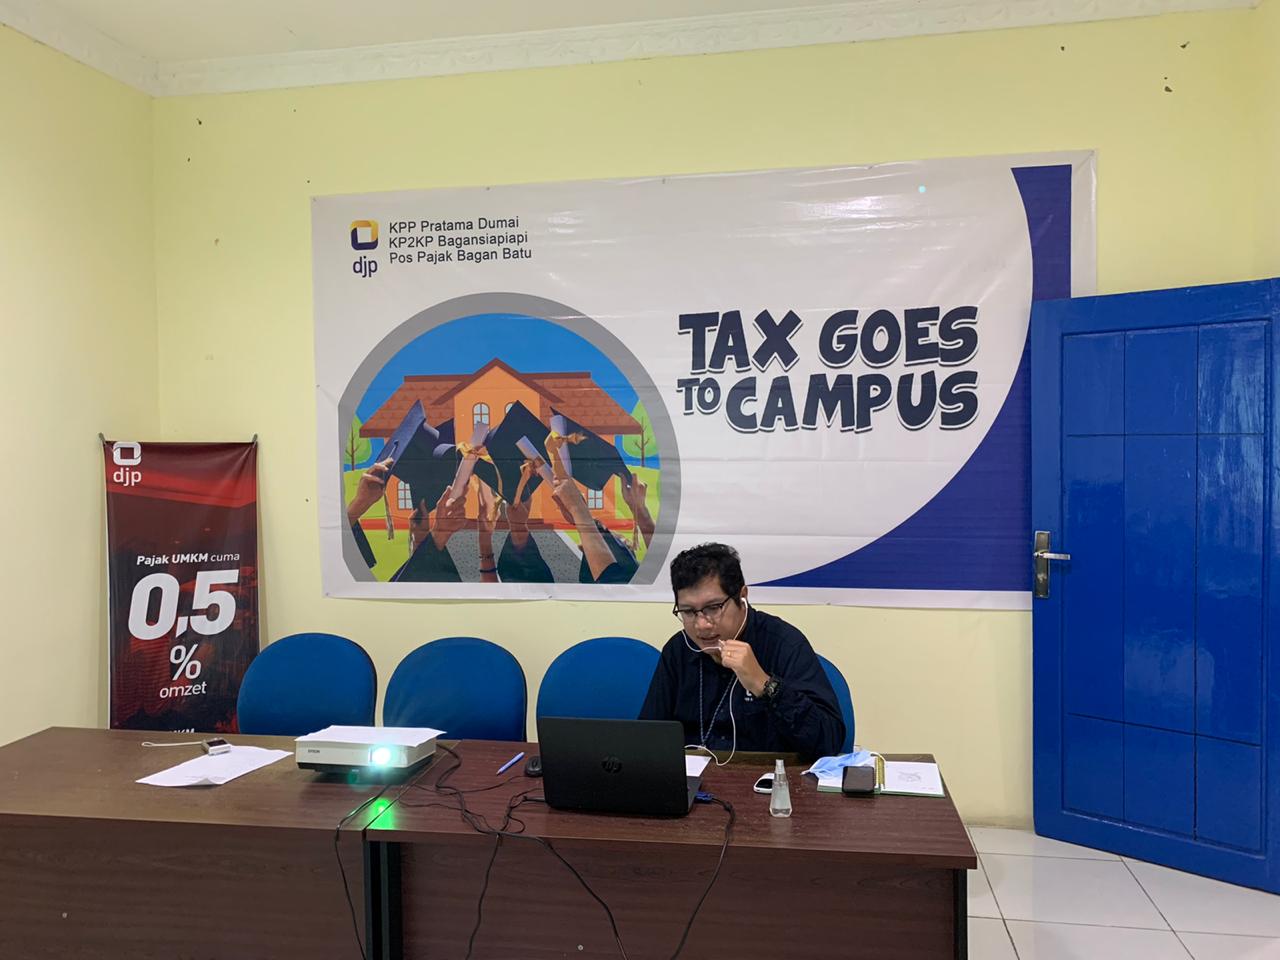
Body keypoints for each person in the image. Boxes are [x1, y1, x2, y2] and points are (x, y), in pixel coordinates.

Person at [639, 543, 845, 761]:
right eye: (689, 611)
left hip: (767, 776)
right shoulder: (678, 650)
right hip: (693, 778)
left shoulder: (784, 644)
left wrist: (766, 686)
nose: (702, 625)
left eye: (713, 608)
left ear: (742, 596)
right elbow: (647, 737)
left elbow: (829, 742)